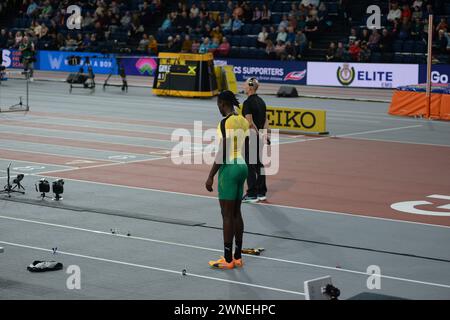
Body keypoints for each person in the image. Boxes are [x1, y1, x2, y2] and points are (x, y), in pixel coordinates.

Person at [205, 90, 249, 269]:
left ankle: (227, 259)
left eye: (218, 105)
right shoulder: (243, 121)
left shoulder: (225, 123)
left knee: (226, 215)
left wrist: (210, 176)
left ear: (223, 103)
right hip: (242, 165)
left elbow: (223, 151)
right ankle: (237, 256)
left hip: (229, 168)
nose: (218, 109)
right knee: (237, 212)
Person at [242, 78, 269, 203]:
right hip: (259, 138)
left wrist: (258, 134)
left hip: (252, 137)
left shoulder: (247, 103)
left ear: (250, 87)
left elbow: (249, 123)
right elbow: (266, 121)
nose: (244, 86)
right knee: (259, 164)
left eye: (245, 84)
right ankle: (261, 192)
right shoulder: (262, 101)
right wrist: (264, 135)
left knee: (250, 165)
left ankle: (252, 193)